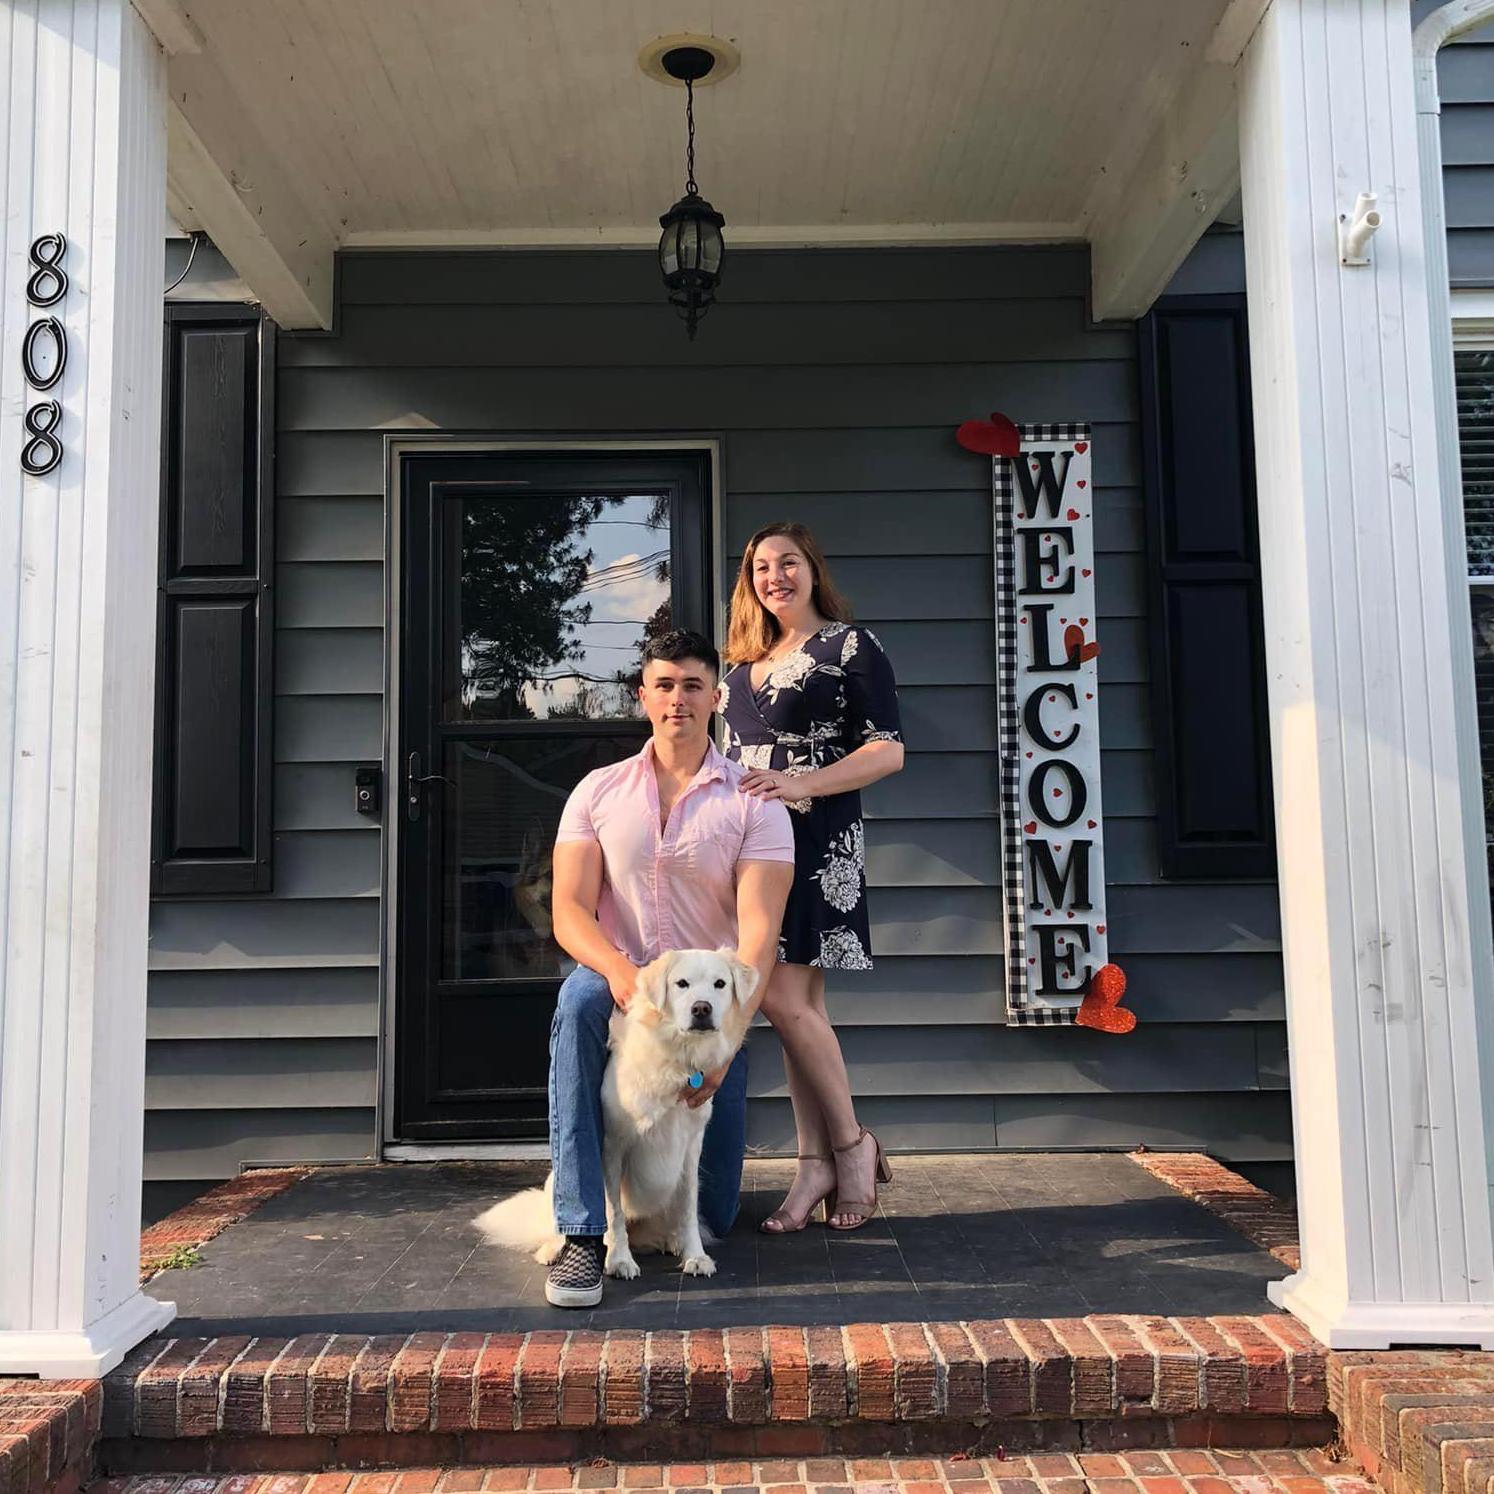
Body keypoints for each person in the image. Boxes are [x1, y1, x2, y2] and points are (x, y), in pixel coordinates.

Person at [544, 629, 795, 1307]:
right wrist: (620, 972)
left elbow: (758, 938)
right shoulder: (597, 792)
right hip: (622, 973)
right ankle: (580, 1230)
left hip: (709, 1001)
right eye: (664, 685)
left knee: (712, 1219)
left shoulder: (755, 800)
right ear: (642, 697)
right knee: (578, 1001)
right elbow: (569, 912)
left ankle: (656, 1208)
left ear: (716, 698)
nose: (677, 698)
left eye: (692, 685)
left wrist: (725, 1050)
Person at [719, 523, 905, 1233]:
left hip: (814, 837)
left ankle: (852, 1149)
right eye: (761, 567)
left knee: (780, 997)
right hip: (749, 849)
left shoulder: (850, 646)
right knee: (798, 1012)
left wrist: (802, 782)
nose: (776, 577)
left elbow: (888, 751)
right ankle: (815, 1165)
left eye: (788, 562)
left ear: (812, 569)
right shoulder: (741, 665)